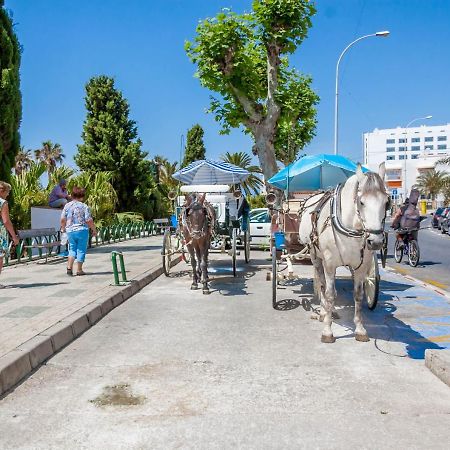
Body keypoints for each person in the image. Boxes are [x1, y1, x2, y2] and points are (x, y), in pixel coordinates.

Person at [60, 187, 97, 276]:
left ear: (72, 195)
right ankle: (79, 270)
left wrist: (63, 228)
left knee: (72, 249)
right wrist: (94, 229)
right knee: (81, 249)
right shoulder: (84, 206)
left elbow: (62, 219)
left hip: (70, 231)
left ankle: (69, 268)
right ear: (82, 196)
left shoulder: (67, 206)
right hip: (82, 230)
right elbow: (88, 220)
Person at [0, 182, 19, 284]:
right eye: (7, 192)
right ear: (2, 191)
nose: (8, 195)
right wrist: (14, 236)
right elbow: (6, 221)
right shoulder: (3, 202)